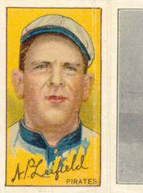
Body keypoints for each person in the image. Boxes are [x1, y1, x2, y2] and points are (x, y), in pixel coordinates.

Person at [8, 14, 98, 170]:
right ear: (19, 83)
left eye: (69, 68)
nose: (56, 81)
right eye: (42, 66)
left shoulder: (102, 149)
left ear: (86, 86)